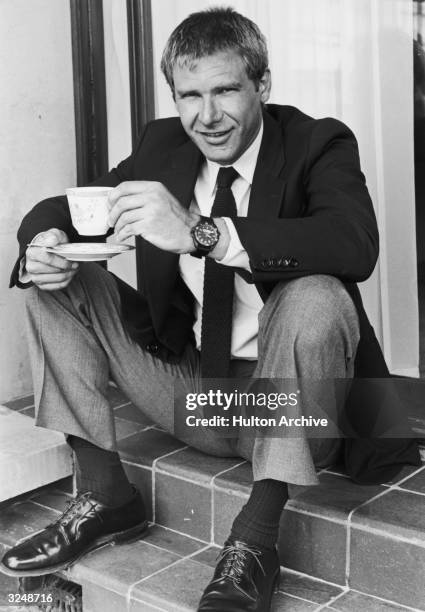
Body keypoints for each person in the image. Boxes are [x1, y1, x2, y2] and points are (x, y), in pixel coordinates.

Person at [1, 7, 420, 612]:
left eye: (226, 90)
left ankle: (254, 542)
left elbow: (352, 243)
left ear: (262, 85)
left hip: (294, 410)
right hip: (199, 396)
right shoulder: (162, 145)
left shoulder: (318, 142)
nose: (207, 116)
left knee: (317, 295)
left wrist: (205, 233)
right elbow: (66, 205)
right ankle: (105, 495)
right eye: (189, 95)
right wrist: (39, 246)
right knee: (56, 277)